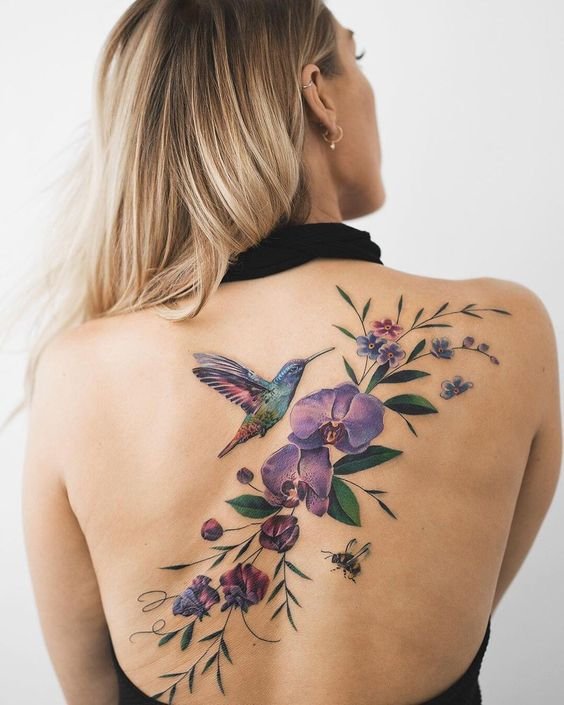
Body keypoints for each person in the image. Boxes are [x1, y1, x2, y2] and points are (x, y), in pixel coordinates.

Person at [20, 1, 561, 704]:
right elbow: (470, 596)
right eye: (354, 58)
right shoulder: (504, 331)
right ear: (318, 94)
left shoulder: (77, 374)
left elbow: (90, 693)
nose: (368, 88)